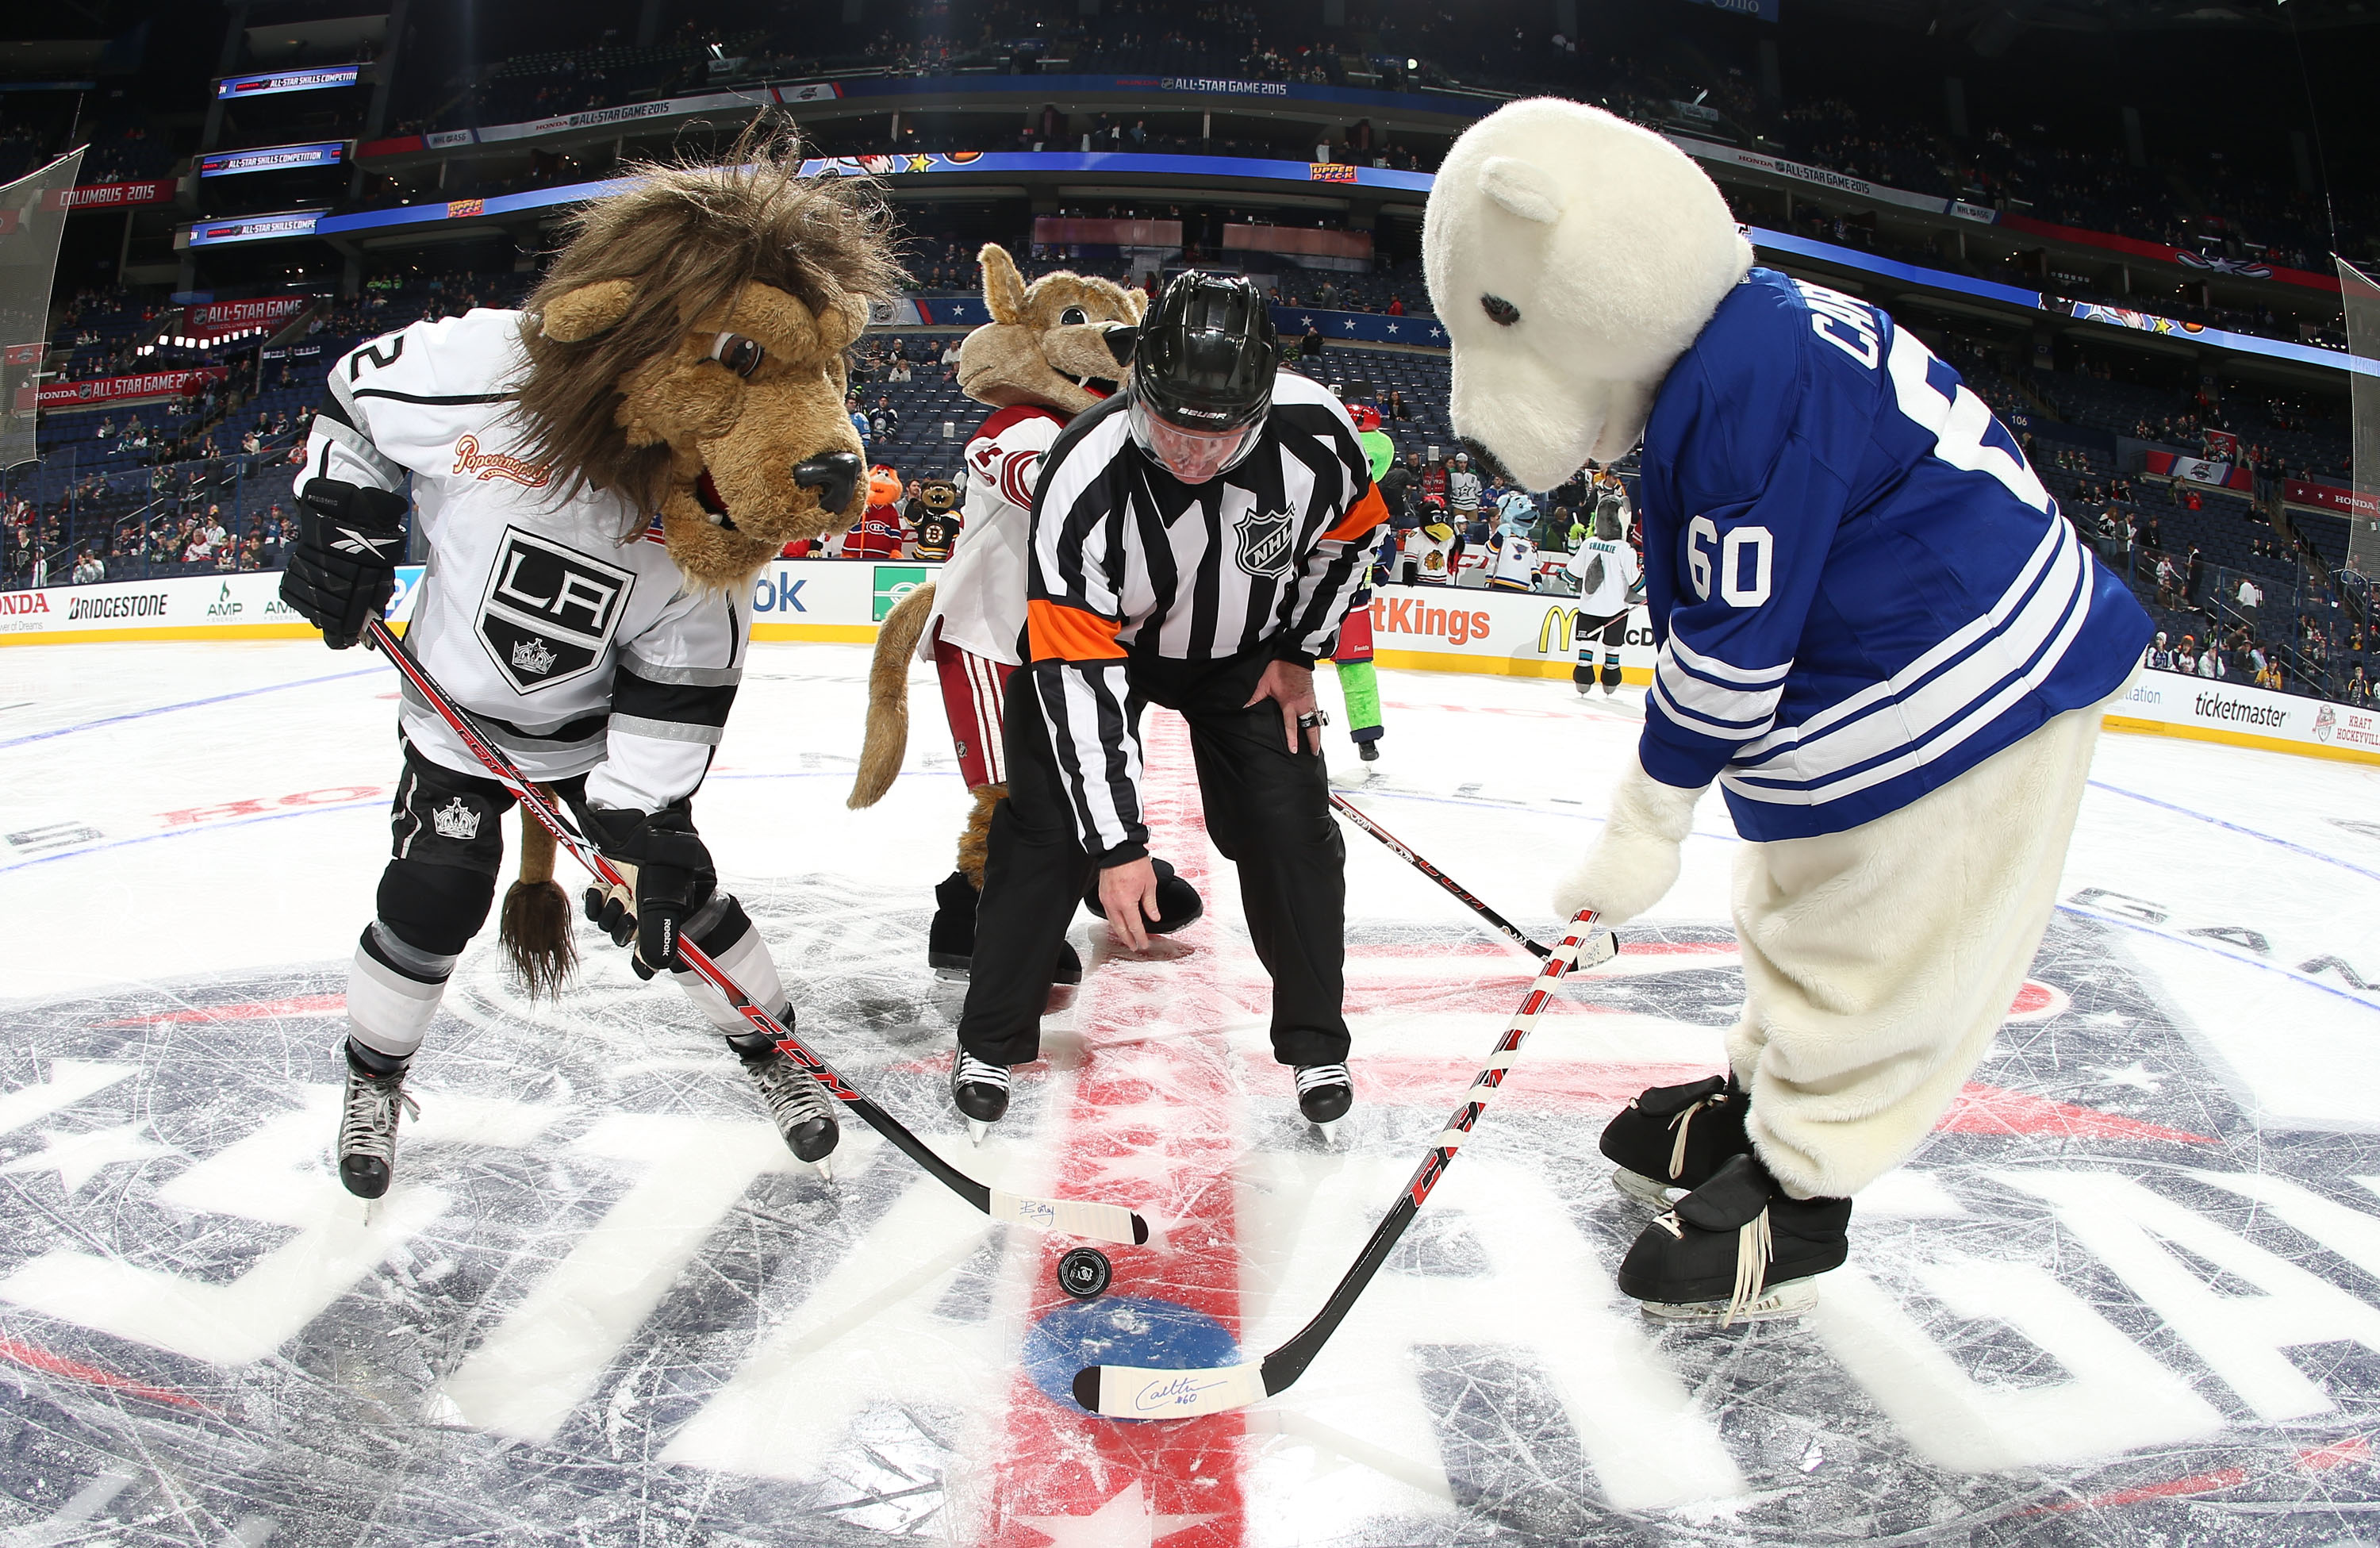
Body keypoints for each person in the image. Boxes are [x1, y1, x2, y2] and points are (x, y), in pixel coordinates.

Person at [274, 144, 900, 1200]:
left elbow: (677, 689)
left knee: (684, 897)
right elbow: (355, 401)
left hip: (593, 741)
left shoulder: (705, 519)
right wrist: (344, 519)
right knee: (432, 896)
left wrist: (639, 828)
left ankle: (775, 1051)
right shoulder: (492, 376)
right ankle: (374, 1074)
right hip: (454, 720)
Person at [947, 271, 1384, 1135]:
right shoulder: (1085, 465)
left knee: (1291, 828)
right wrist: (1117, 846)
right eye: (1173, 427)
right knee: (1043, 828)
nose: (1192, 455)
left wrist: (1301, 652)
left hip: (1245, 656)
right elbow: (1078, 677)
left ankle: (1314, 1043)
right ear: (1140, 387)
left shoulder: (1319, 438)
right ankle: (991, 1039)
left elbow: (1351, 540)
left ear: (1260, 408)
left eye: (1219, 438)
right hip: (1111, 648)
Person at [1566, 495, 1641, 693]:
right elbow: (1636, 582)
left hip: (1588, 606)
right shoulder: (1625, 549)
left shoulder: (1588, 543)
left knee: (1586, 647)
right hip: (1615, 608)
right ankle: (1610, 683)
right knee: (1613, 649)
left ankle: (1583, 680)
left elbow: (1570, 573)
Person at [1445, 451, 1482, 532]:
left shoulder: (1473, 474)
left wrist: (1476, 503)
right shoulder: (1451, 473)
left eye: (1465, 463)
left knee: (1473, 528)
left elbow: (1478, 490)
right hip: (1458, 506)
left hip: (1472, 507)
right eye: (1460, 462)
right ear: (1457, 463)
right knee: (1458, 529)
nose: (1462, 465)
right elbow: (1448, 489)